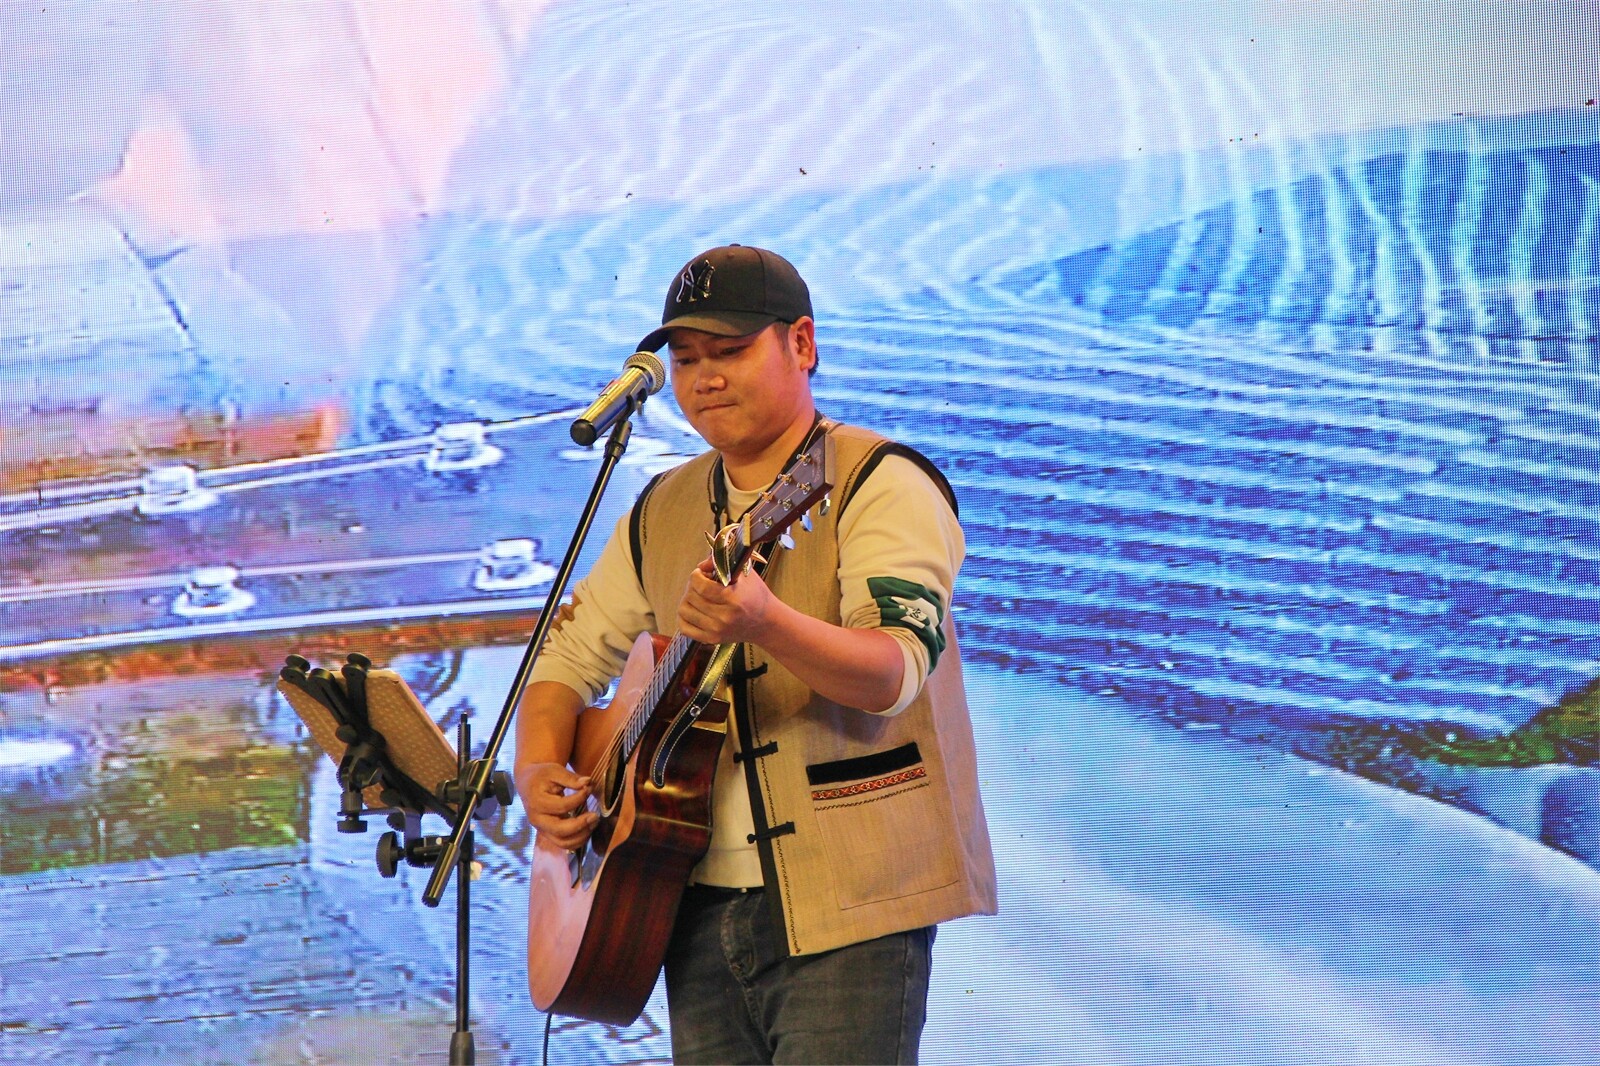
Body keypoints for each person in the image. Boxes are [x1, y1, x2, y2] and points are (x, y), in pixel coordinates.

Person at [514, 244, 997, 1064]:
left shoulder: (879, 480)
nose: (704, 378)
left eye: (730, 351)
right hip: (686, 904)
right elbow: (563, 662)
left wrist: (767, 622)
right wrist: (537, 770)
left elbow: (894, 671)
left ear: (801, 344)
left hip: (853, 906)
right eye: (686, 359)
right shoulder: (662, 507)